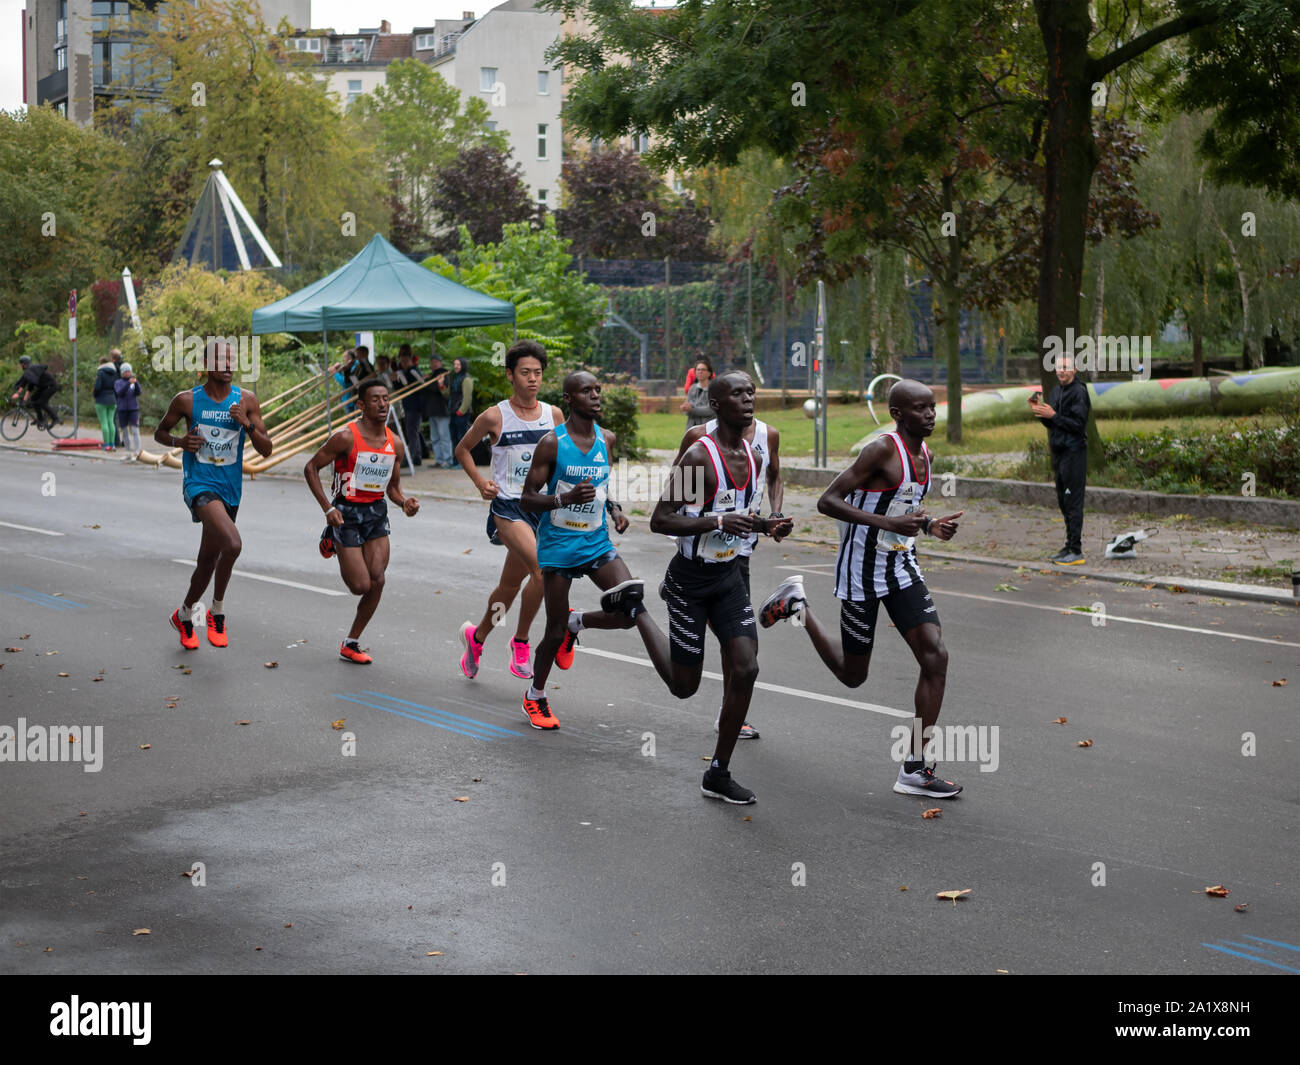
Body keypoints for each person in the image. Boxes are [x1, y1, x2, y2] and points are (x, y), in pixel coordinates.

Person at [757, 379, 965, 799]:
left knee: (935, 656)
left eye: (932, 407)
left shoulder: (923, 453)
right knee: (853, 675)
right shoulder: (881, 450)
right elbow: (827, 501)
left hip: (901, 566)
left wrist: (929, 525)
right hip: (861, 572)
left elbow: (902, 507)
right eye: (921, 409)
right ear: (897, 414)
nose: (931, 414)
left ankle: (914, 767)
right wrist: (891, 525)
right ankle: (797, 605)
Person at [517, 370, 637, 728]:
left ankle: (578, 621)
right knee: (552, 632)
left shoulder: (607, 439)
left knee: (630, 606)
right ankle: (535, 695)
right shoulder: (552, 444)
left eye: (598, 390)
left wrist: (614, 509)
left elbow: (601, 488)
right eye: (587, 391)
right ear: (569, 399)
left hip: (596, 541)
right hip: (558, 545)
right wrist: (563, 499)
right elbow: (526, 499)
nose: (596, 396)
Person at [674, 400, 787, 740]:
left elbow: (775, 477)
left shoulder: (766, 439)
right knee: (690, 677)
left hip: (739, 552)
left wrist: (772, 519)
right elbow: (675, 499)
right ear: (718, 405)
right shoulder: (698, 439)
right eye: (739, 396)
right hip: (697, 555)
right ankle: (671, 599)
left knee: (743, 649)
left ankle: (729, 713)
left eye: (751, 395)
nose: (748, 403)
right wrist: (714, 519)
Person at [454, 341, 564, 683]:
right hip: (509, 509)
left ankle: (477, 637)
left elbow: (561, 459)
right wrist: (479, 482)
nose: (533, 379)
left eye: (538, 373)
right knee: (543, 571)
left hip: (540, 509)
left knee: (509, 587)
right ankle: (521, 641)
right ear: (510, 375)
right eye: (525, 372)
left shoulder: (554, 415)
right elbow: (463, 450)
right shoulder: (494, 416)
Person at [154, 339, 272, 650]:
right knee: (232, 544)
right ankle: (217, 613)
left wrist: (246, 424)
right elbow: (160, 432)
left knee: (207, 561)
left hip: (230, 489)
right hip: (199, 484)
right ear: (205, 366)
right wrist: (180, 443)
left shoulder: (246, 400)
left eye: (231, 360)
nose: (228, 366)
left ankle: (183, 614)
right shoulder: (187, 401)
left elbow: (266, 448)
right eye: (220, 361)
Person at [304, 378, 419, 663]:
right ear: (361, 405)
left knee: (378, 579)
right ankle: (330, 536)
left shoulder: (396, 444)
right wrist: (328, 509)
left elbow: (392, 489)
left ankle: (351, 642)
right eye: (375, 399)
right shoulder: (345, 437)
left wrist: (405, 502)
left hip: (376, 513)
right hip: (345, 515)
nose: (382, 404)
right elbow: (311, 468)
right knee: (360, 586)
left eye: (385, 398)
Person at [1030, 353, 1090, 565]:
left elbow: (1078, 425)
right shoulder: (1055, 391)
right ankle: (1068, 545)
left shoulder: (1079, 392)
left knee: (1073, 501)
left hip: (1074, 453)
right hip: (1058, 452)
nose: (1062, 371)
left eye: (1066, 367)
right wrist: (1042, 414)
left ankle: (1077, 550)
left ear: (1074, 370)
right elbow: (1054, 423)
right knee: (1063, 501)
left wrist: (1053, 415)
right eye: (1058, 367)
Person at [393, 347, 425, 467]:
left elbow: (418, 387)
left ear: (411, 360)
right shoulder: (404, 371)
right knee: (409, 431)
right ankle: (413, 455)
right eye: (402, 361)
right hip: (407, 405)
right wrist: (396, 381)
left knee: (412, 431)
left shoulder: (414, 371)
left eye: (406, 361)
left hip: (415, 406)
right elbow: (400, 390)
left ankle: (415, 456)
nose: (404, 364)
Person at [9, 355, 59, 430]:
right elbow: (29, 386)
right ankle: (40, 419)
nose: (21, 365)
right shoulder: (31, 372)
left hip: (51, 386)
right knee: (33, 400)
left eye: (21, 364)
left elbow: (24, 383)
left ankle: (55, 418)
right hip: (45, 387)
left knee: (41, 403)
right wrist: (24, 400)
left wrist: (18, 393)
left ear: (24, 364)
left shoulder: (32, 369)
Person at [426, 354, 453, 467]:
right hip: (432, 411)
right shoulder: (431, 375)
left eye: (436, 362)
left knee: (444, 437)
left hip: (442, 410)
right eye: (432, 362)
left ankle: (447, 460)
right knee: (435, 438)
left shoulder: (444, 374)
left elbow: (443, 390)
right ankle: (439, 460)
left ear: (441, 363)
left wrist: (431, 383)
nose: (434, 364)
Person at [113, 361, 142, 456]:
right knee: (125, 431)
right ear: (122, 373)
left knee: (135, 430)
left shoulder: (133, 382)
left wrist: (136, 383)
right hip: (122, 410)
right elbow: (119, 393)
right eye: (125, 372)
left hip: (133, 409)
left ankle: (137, 451)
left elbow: (138, 392)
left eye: (129, 371)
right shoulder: (118, 382)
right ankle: (128, 450)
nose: (127, 373)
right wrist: (128, 383)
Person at [93, 353, 119, 451]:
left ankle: (106, 445)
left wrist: (95, 395)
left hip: (101, 400)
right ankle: (112, 445)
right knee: (111, 422)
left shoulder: (100, 372)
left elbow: (98, 387)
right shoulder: (114, 373)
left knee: (104, 422)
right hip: (112, 399)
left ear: (101, 363)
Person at [448, 357, 474, 449]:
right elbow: (449, 394)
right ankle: (455, 461)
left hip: (461, 413)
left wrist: (461, 411)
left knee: (462, 438)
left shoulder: (467, 379)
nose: (455, 366)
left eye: (458, 364)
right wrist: (441, 386)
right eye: (454, 364)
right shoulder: (454, 378)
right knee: (454, 437)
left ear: (463, 365)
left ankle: (462, 462)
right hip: (453, 411)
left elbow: (467, 397)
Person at [682, 357, 714, 428]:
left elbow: (710, 410)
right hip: (692, 427)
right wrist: (685, 408)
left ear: (709, 373)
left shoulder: (714, 389)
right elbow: (687, 409)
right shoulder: (692, 388)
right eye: (698, 370)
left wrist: (691, 410)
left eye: (703, 370)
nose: (700, 372)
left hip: (707, 428)